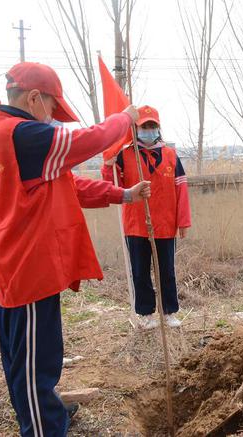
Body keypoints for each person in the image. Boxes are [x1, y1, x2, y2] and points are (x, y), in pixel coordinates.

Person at [0, 61, 150, 436]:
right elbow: (86, 141)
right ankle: (43, 425)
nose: (53, 120)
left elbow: (70, 185)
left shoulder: (20, 138)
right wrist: (123, 120)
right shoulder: (22, 135)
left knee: (36, 355)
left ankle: (48, 411)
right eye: (51, 109)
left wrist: (122, 194)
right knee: (31, 365)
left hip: (32, 264)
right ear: (32, 98)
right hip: (25, 267)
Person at [102, 105, 191, 329]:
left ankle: (169, 311)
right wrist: (108, 167)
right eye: (144, 126)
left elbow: (181, 189)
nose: (148, 130)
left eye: (152, 126)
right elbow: (114, 187)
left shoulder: (171, 155)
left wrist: (183, 221)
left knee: (166, 271)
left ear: (158, 128)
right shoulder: (125, 155)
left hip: (165, 223)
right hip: (136, 224)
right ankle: (145, 314)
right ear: (135, 128)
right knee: (140, 272)